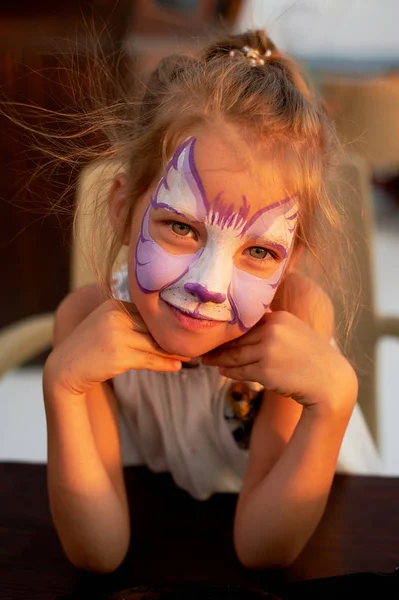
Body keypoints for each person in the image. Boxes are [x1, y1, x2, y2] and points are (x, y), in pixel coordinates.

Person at [43, 30, 360, 574]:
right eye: (181, 228)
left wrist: (335, 402)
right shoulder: (82, 321)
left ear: (293, 258)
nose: (209, 285)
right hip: (162, 526)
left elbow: (263, 551)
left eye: (259, 250)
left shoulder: (297, 318)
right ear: (123, 210)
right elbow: (97, 553)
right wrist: (63, 387)